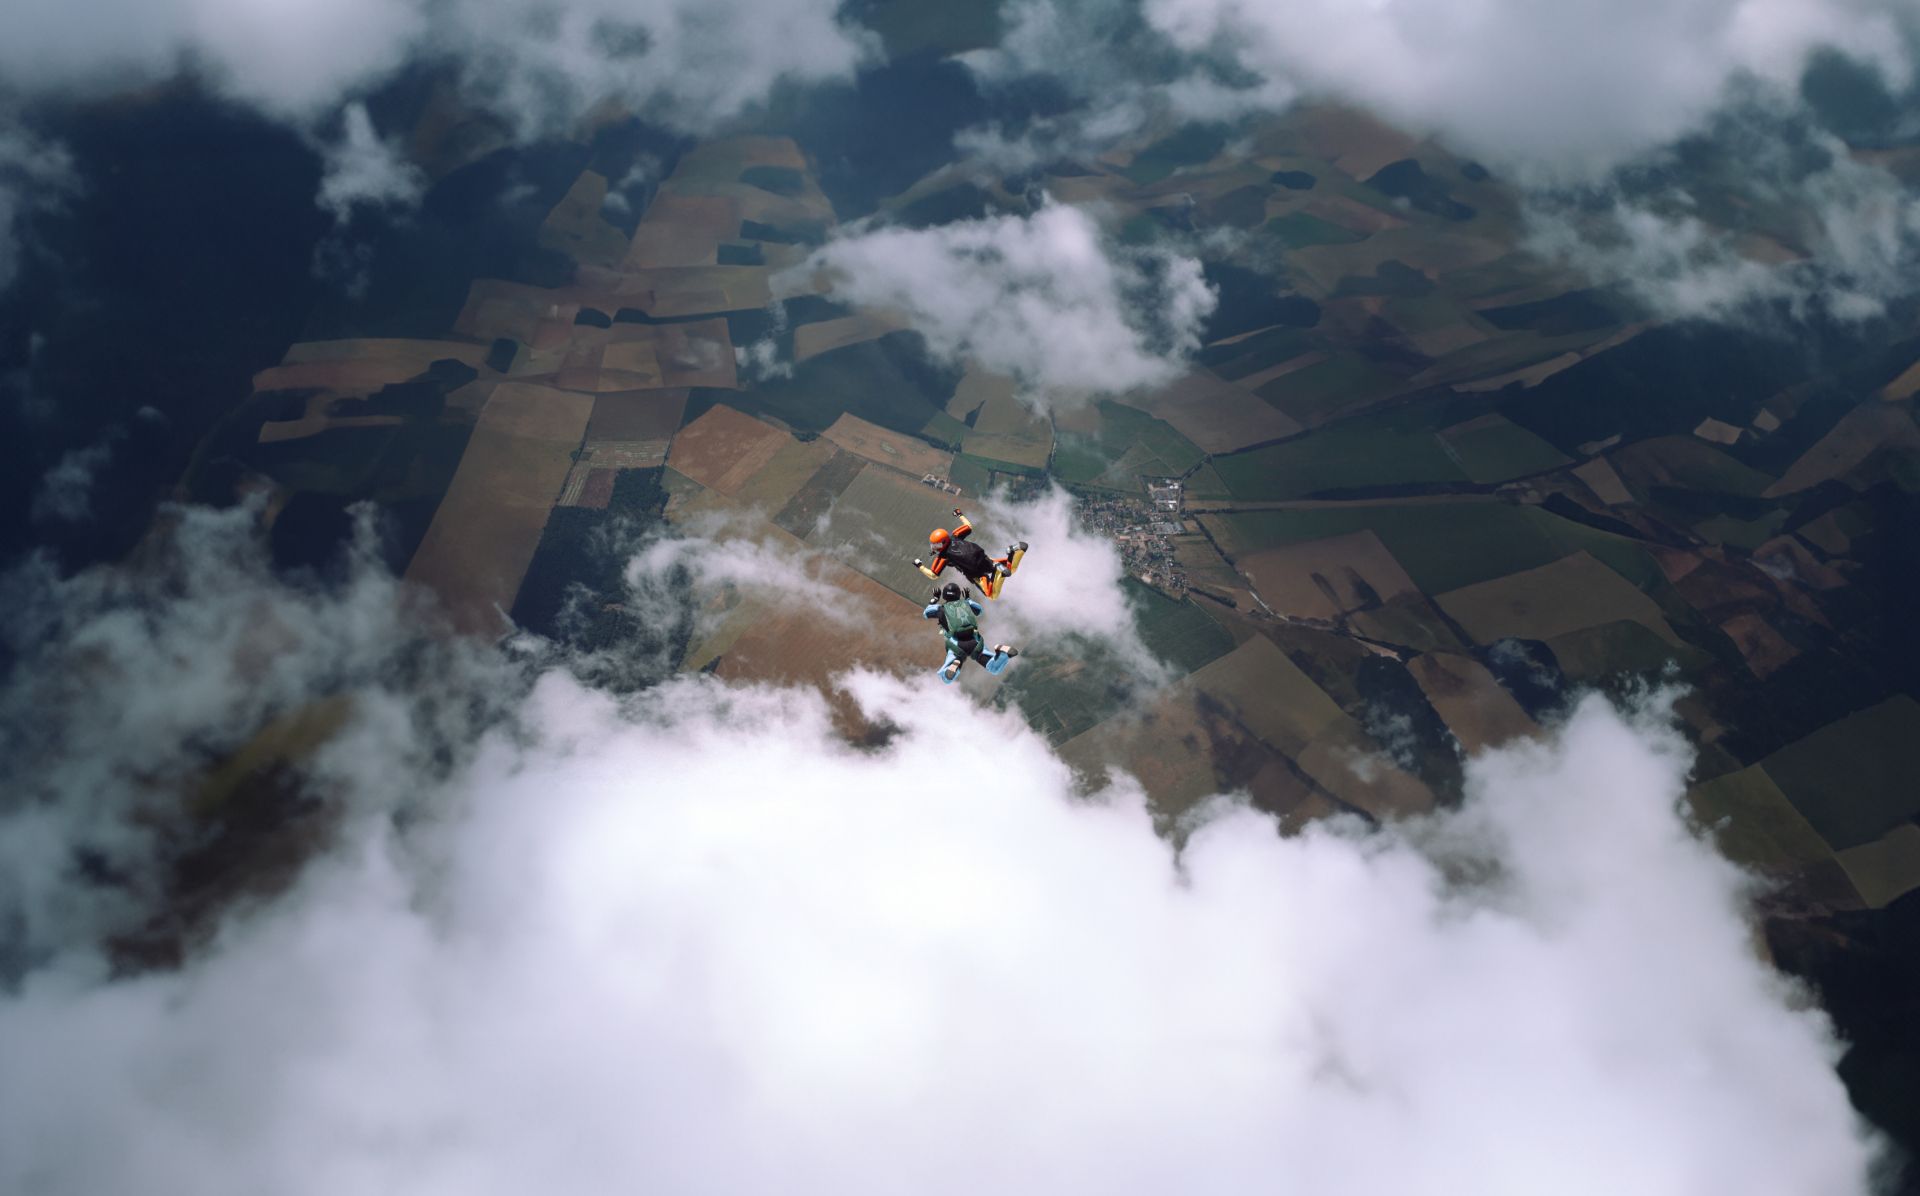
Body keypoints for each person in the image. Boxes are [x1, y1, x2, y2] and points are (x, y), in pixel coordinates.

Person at [913, 508, 1028, 599]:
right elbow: (968, 526)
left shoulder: (943, 557)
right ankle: (1013, 551)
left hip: (976, 574)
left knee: (992, 595)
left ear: (942, 543)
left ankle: (1000, 574)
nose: (934, 548)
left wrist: (920, 566)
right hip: (985, 559)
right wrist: (960, 515)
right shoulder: (955, 536)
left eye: (936, 545)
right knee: (1010, 568)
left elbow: (933, 575)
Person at [925, 581, 1017, 682]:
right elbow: (979, 610)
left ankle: (955, 663)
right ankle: (1002, 652)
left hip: (956, 643)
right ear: (958, 594)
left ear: (944, 595)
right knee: (994, 668)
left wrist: (935, 599)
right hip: (975, 642)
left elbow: (927, 613)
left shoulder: (940, 609)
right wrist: (968, 599)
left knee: (947, 678)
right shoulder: (967, 604)